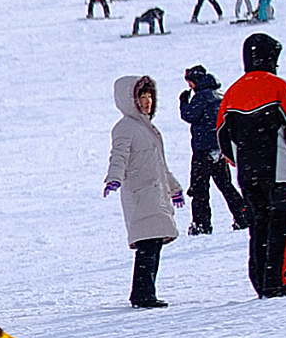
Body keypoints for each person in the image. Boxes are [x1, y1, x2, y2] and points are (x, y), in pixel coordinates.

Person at [217, 33, 286, 298]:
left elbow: (222, 136)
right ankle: (277, 279)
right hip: (280, 169)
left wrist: (239, 163)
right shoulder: (280, 86)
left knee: (259, 225)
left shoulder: (232, 92)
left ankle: (260, 279)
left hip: (247, 172)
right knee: (284, 224)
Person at [103, 76, 184, 309]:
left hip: (154, 194)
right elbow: (118, 156)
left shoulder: (147, 128)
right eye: (141, 96)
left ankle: (145, 292)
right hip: (140, 195)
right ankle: (142, 294)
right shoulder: (125, 128)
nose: (147, 101)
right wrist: (114, 179)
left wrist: (174, 189)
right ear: (130, 100)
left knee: (153, 243)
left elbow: (160, 165)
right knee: (148, 245)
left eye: (149, 96)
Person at [179, 66, 249, 235]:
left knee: (199, 188)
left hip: (203, 149)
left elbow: (189, 115)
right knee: (226, 185)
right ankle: (243, 216)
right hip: (220, 147)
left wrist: (183, 102)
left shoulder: (202, 96)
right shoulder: (219, 94)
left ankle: (201, 224)